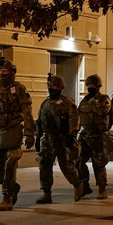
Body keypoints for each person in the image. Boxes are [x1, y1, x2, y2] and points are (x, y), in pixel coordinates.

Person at [0, 58, 35, 211]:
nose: (3, 74)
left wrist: (29, 133)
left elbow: (27, 112)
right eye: (1, 71)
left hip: (13, 130)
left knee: (11, 162)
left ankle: (7, 197)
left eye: (6, 71)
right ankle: (12, 187)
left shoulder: (19, 89)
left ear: (12, 73)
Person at [35, 75, 81, 203]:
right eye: (51, 86)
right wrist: (38, 137)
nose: (53, 89)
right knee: (44, 165)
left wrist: (71, 135)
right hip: (48, 139)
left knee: (66, 166)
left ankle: (77, 184)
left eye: (56, 86)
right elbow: (40, 121)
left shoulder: (68, 103)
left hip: (63, 138)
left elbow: (74, 120)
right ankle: (46, 192)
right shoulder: (45, 103)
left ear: (61, 88)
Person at [75, 75, 111, 200]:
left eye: (93, 86)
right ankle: (84, 185)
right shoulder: (84, 100)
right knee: (78, 161)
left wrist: (93, 100)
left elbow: (102, 111)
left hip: (98, 135)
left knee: (99, 163)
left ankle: (102, 189)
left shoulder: (104, 99)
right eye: (89, 86)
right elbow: (79, 116)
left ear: (98, 87)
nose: (90, 88)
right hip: (85, 135)